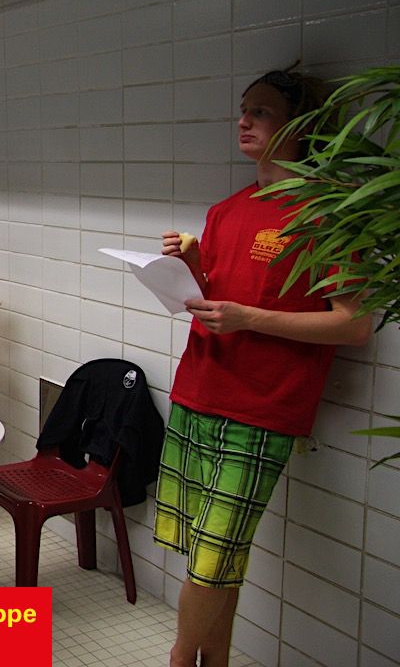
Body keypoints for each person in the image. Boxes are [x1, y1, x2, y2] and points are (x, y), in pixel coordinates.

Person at [155, 68, 371, 667]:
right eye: (243, 109)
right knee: (215, 558)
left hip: (262, 408)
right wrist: (191, 266)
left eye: (263, 111)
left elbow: (354, 323)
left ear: (302, 126)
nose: (244, 121)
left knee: (210, 559)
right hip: (198, 389)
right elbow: (216, 301)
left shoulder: (327, 213)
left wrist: (250, 318)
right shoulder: (226, 211)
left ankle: (178, 659)